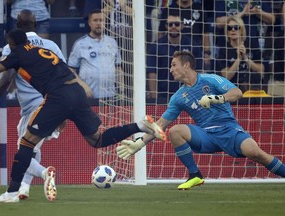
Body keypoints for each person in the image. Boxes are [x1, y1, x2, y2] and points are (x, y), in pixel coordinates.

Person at [0, 28, 166, 203]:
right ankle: (140, 125)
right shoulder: (45, 50)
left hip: (57, 96)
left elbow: (1, 70)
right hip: (76, 92)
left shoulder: (16, 53)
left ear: (11, 43)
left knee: (26, 142)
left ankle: (11, 193)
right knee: (97, 139)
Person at [117, 50, 285, 190]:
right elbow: (160, 125)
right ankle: (195, 174)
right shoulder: (178, 97)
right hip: (206, 135)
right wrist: (139, 143)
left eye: (174, 65)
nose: (171, 69)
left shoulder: (210, 80)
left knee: (256, 153)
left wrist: (216, 98)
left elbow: (237, 93)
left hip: (229, 129)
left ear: (186, 65)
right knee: (175, 131)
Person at [0, 9, 66, 201]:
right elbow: (64, 75)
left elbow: (7, 78)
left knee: (24, 150)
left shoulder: (13, 46)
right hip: (55, 103)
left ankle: (45, 174)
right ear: (36, 24)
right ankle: (23, 189)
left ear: (16, 26)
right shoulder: (51, 45)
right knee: (33, 148)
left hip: (33, 106)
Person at [146, 9, 202, 102]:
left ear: (182, 26)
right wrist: (155, 98)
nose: (173, 27)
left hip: (188, 94)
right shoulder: (156, 46)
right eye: (170, 24)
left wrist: (197, 94)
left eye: (177, 24)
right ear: (166, 26)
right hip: (162, 95)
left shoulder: (193, 45)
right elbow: (152, 73)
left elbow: (200, 71)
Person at [68, 9, 125, 100]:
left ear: (105, 22)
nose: (98, 23)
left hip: (110, 96)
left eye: (101, 20)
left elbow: (118, 68)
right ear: (89, 23)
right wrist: (82, 85)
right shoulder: (80, 44)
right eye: (95, 20)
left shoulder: (112, 42)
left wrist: (121, 91)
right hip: (88, 96)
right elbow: (71, 70)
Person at [158, 0, 211, 69]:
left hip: (194, 53)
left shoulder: (199, 9)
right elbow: (161, 32)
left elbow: (205, 33)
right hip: (171, 53)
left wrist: (207, 54)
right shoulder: (168, 10)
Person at [216, 16, 264, 92]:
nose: (233, 30)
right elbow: (226, 77)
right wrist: (238, 59)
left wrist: (246, 58)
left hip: (252, 86)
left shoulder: (252, 44)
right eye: (229, 28)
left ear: (241, 30)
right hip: (232, 87)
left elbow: (261, 70)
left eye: (236, 27)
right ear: (227, 32)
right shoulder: (223, 50)